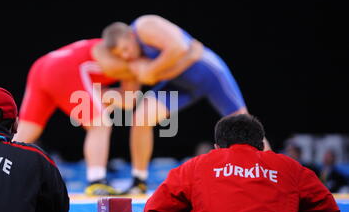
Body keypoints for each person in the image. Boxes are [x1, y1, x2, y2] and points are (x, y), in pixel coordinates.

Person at [100, 14, 271, 194]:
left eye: (126, 49)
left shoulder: (145, 26)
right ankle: (139, 181)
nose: (126, 56)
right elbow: (132, 96)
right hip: (179, 83)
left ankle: (274, 173)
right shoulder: (134, 60)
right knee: (141, 117)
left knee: (245, 124)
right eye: (121, 55)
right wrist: (103, 94)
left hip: (208, 73)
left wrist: (151, 70)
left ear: (130, 36)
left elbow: (178, 47)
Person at [144, 114, 340, 212]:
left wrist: (195, 208)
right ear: (262, 146)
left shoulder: (196, 165)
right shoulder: (289, 166)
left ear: (217, 147)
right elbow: (330, 211)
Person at [13, 38, 139, 196]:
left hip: (43, 65)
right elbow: (128, 100)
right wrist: (105, 95)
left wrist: (101, 96)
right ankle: (97, 182)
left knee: (25, 133)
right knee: (100, 125)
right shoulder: (132, 61)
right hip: (65, 70)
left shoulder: (114, 45)